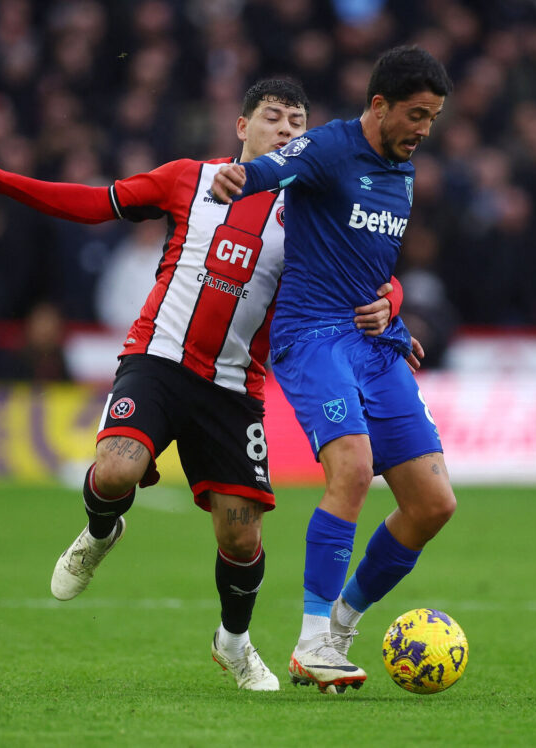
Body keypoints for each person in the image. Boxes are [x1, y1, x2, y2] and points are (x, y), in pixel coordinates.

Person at [0, 79, 408, 691]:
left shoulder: (314, 214)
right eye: (274, 118)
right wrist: (2, 180)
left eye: (299, 123)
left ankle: (234, 643)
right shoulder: (189, 177)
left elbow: (372, 281)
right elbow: (94, 202)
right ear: (243, 127)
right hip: (157, 359)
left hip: (235, 388)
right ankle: (100, 532)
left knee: (241, 537)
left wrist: (391, 304)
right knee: (115, 470)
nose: (288, 131)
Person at [210, 46, 455, 694]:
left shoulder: (402, 169)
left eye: (432, 118)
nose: (424, 130)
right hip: (312, 335)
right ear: (378, 105)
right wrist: (241, 177)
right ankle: (311, 640)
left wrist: (390, 300)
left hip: (374, 344)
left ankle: (342, 624)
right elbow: (271, 167)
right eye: (416, 115)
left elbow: (372, 262)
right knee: (350, 465)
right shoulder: (327, 148)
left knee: (433, 504)